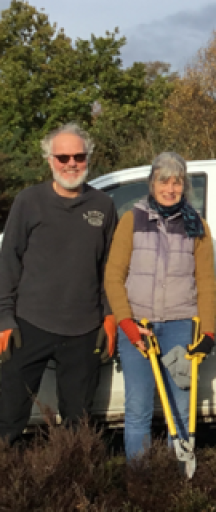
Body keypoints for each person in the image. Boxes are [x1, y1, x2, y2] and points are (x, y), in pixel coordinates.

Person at [0, 123, 117, 443]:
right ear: (50, 160)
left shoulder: (103, 206)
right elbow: (8, 260)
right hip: (29, 325)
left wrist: (109, 315)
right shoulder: (29, 201)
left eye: (78, 156)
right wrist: (5, 319)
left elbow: (110, 267)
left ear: (88, 158)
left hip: (84, 330)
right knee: (8, 417)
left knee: (78, 421)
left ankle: (72, 483)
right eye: (63, 157)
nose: (71, 164)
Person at [104, 152, 216, 460]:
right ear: (151, 184)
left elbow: (206, 282)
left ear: (185, 186)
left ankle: (178, 479)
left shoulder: (197, 226)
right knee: (138, 407)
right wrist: (127, 324)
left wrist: (207, 332)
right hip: (139, 330)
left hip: (180, 327)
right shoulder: (132, 220)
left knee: (180, 405)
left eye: (176, 182)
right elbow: (113, 277)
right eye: (163, 181)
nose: (170, 188)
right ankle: (140, 482)